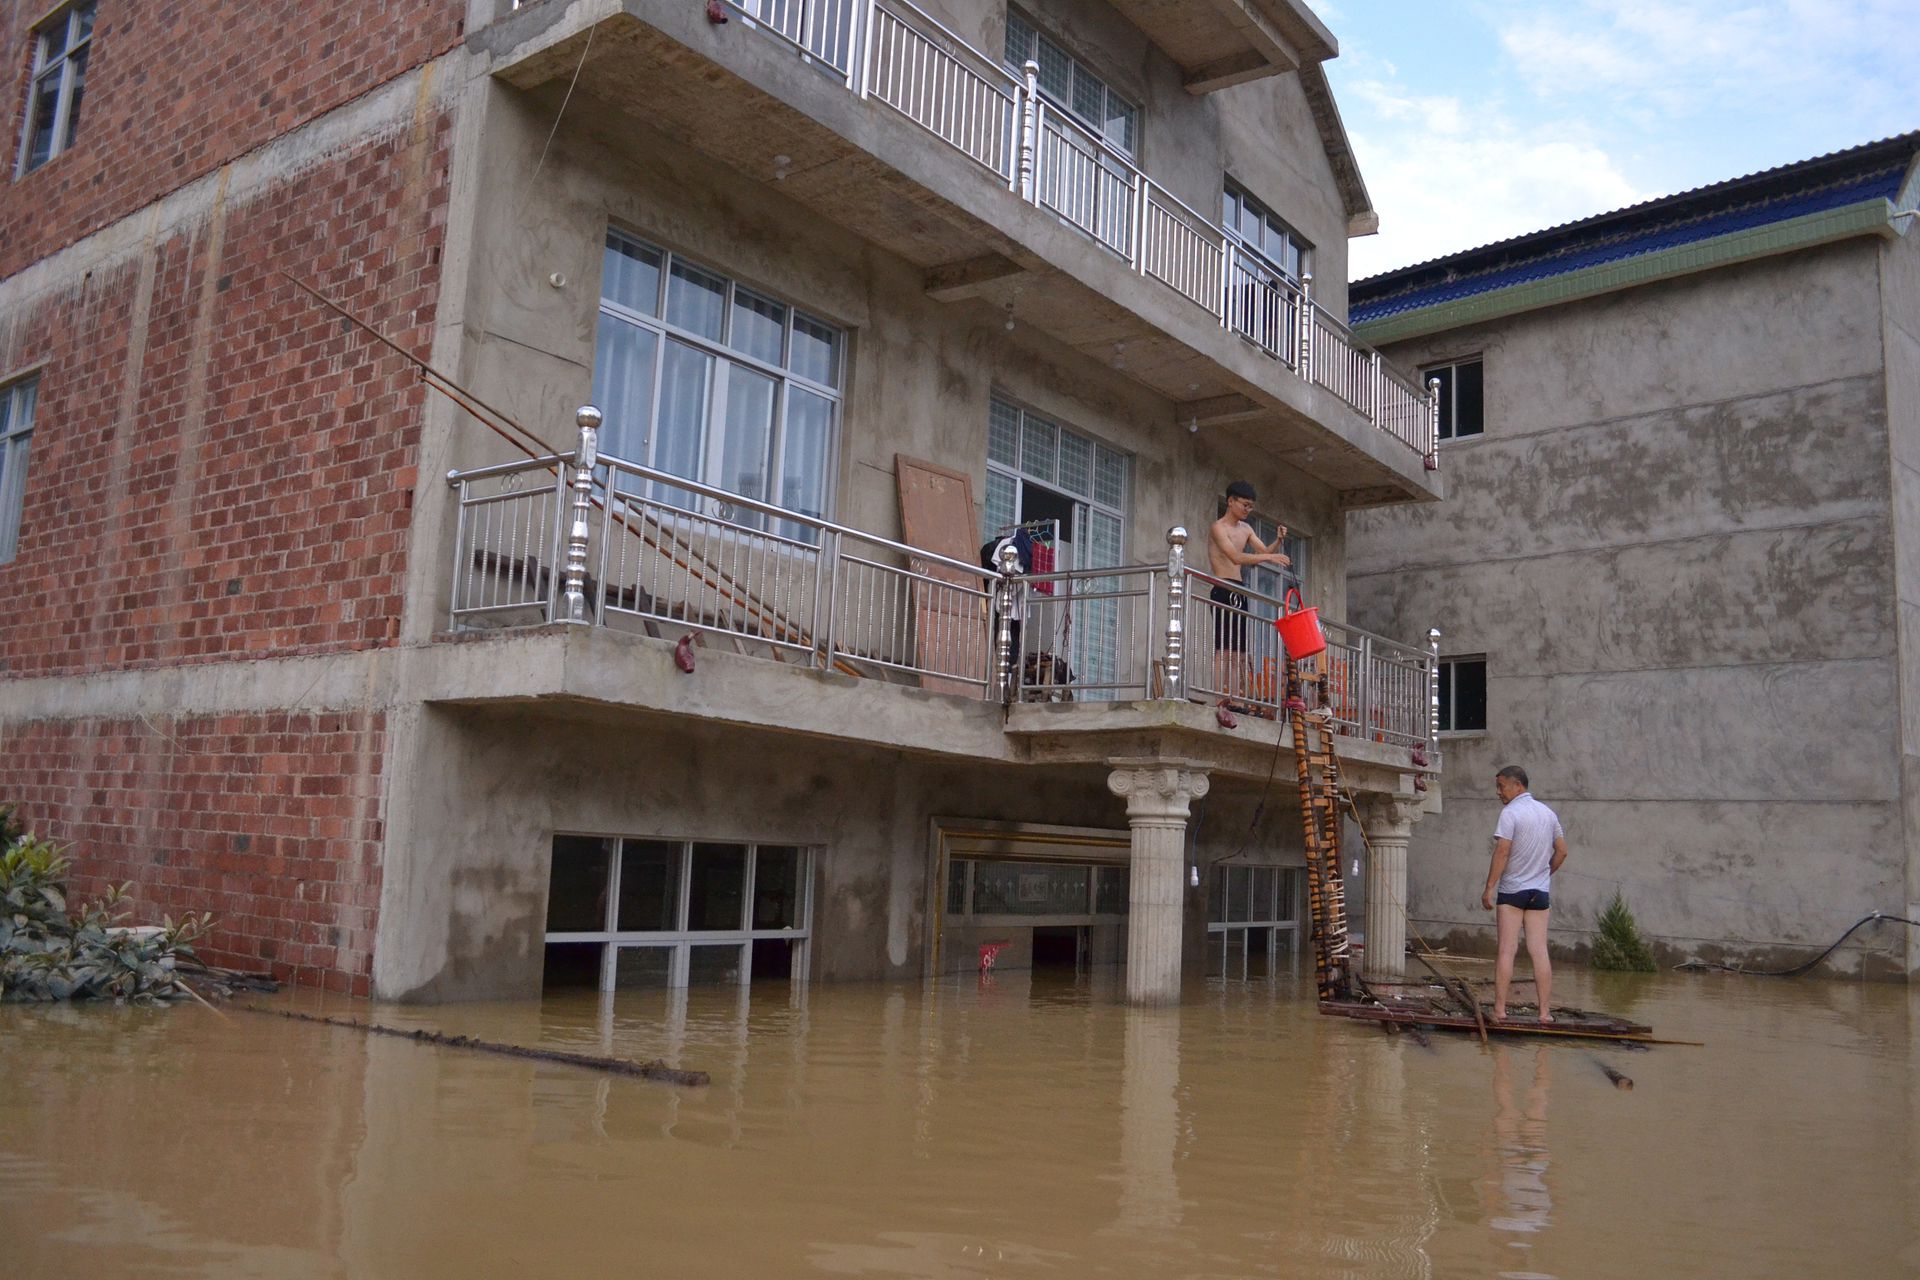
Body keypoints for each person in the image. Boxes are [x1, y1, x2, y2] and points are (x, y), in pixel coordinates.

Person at [1482, 765, 1569, 1022]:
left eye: (1502, 786)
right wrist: (1545, 874)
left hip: (1512, 891)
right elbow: (1562, 851)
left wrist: (1489, 887)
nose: (1498, 792)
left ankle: (1499, 1010)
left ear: (1518, 785)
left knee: (1506, 951)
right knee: (1539, 951)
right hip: (1539, 893)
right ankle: (1544, 1014)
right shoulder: (1548, 813)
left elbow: (1502, 852)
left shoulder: (1510, 813)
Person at [1206, 480, 1290, 707]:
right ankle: (1217, 698)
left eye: (1250, 506)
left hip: (1239, 589)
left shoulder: (1246, 528)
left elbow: (1264, 551)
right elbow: (1236, 557)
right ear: (1231, 501)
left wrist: (1279, 541)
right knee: (1223, 648)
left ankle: (1236, 700)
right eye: (1244, 504)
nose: (1247, 510)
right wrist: (1269, 558)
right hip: (1222, 586)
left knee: (1239, 651)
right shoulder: (1218, 527)